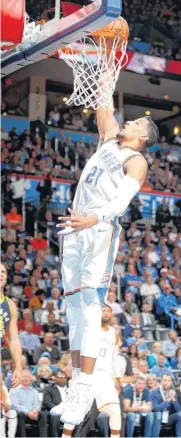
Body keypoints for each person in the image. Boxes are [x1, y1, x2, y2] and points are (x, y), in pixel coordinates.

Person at [56, 68, 159, 425]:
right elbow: (104, 105)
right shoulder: (109, 139)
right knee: (71, 311)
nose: (128, 121)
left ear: (143, 136)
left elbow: (120, 205)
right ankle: (75, 387)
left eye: (136, 122)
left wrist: (93, 218)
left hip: (99, 231)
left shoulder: (137, 160)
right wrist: (104, 76)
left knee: (89, 306)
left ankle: (85, 391)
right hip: (75, 229)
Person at [52, 305, 122, 438]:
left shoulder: (114, 333)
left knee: (115, 411)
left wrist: (118, 379)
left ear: (112, 315)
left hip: (105, 377)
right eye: (102, 311)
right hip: (88, 374)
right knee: (75, 410)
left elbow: (114, 358)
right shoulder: (88, 329)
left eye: (108, 311)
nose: (105, 313)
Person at [0, 264, 22, 387]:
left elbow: (14, 340)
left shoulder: (10, 305)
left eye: (3, 272)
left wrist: (18, 367)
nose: (0, 274)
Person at [9, 369, 47, 437]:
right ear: (20, 378)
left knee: (43, 414)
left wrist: (35, 411)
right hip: (21, 414)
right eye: (24, 377)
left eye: (28, 377)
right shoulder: (14, 390)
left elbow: (36, 404)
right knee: (20, 414)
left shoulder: (34, 391)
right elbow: (14, 405)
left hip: (32, 413)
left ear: (30, 378)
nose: (26, 379)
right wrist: (27, 412)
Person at [42, 370, 68, 437]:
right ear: (55, 378)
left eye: (64, 377)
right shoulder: (48, 389)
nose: (62, 378)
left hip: (69, 411)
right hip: (56, 411)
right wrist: (59, 410)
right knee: (55, 415)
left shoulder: (71, 389)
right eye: (60, 376)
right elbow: (47, 402)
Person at [0, 372, 17, 438]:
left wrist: (4, 405)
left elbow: (8, 405)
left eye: (1, 379)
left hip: (4, 410)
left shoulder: (4, 388)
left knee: (13, 413)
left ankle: (11, 436)